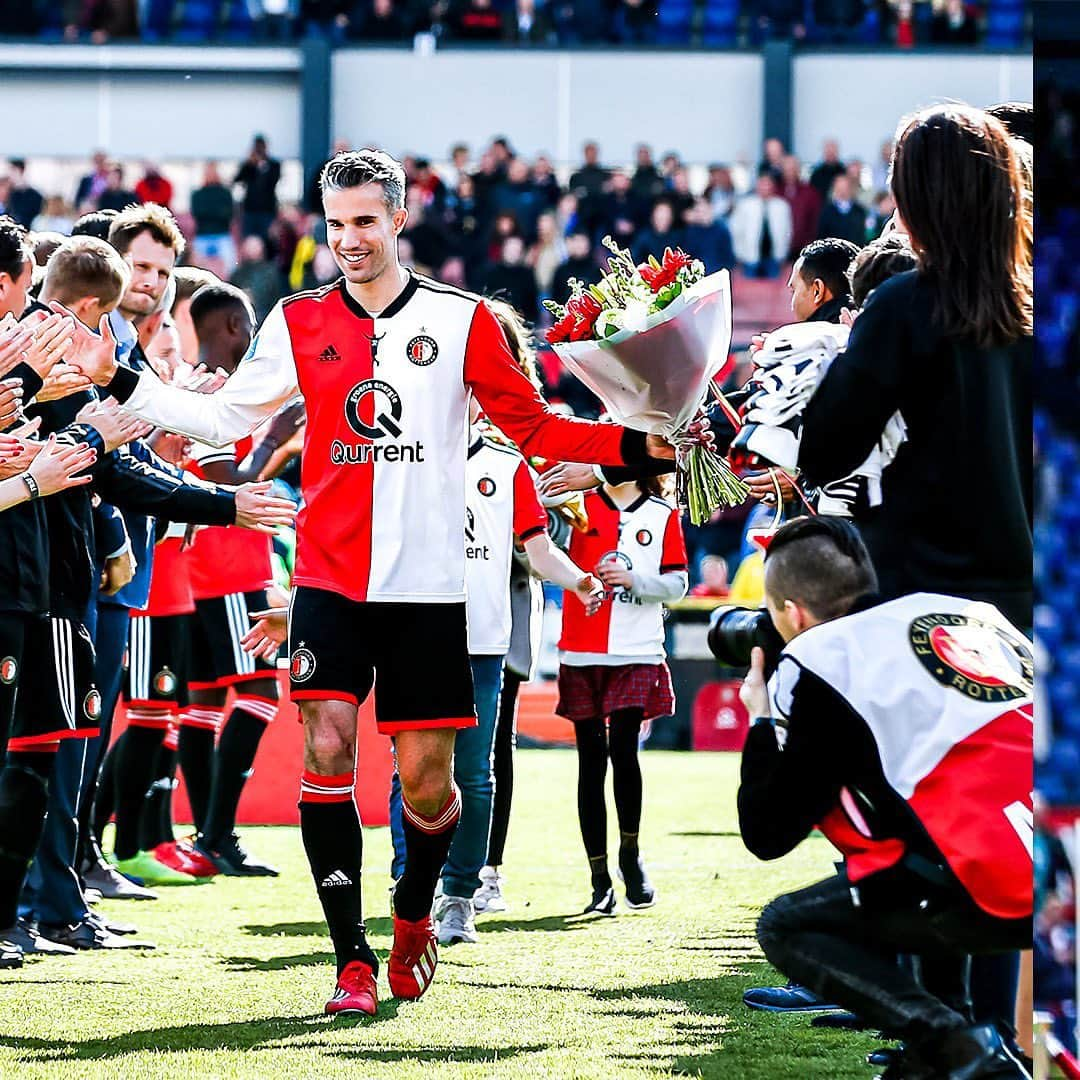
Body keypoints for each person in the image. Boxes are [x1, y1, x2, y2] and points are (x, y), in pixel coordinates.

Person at [70, 148, 676, 1017]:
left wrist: (639, 444)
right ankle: (350, 956)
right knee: (325, 749)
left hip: (430, 589)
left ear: (398, 219)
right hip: (328, 577)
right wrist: (124, 379)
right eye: (335, 222)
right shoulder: (297, 317)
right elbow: (221, 416)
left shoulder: (461, 320)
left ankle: (413, 916)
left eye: (364, 221)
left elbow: (535, 426)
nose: (348, 239)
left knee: (429, 782)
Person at [737, 516, 1032, 1079]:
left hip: (997, 875)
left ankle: (957, 1043)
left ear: (792, 613)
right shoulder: (974, 616)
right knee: (919, 858)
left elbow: (767, 833)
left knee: (787, 925)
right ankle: (951, 1045)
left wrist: (759, 719)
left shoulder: (824, 655)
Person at [798, 104, 1033, 629]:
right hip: (1020, 600)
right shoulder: (1029, 306)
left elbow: (825, 449)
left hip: (922, 599)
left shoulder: (904, 303)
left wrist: (826, 359)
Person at [390, 386, 603, 946]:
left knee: (474, 775)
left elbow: (536, 548)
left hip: (483, 640)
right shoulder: (399, 454)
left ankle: (459, 897)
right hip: (413, 635)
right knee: (410, 770)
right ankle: (407, 886)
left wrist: (577, 579)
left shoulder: (507, 467)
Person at [557, 475, 688, 915]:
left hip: (636, 650)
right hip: (580, 651)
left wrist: (635, 580)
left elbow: (679, 583)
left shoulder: (662, 513)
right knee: (589, 763)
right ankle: (598, 878)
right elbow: (536, 552)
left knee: (625, 752)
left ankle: (630, 856)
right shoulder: (575, 506)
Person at [730, 172, 792, 280]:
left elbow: (788, 232)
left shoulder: (782, 206)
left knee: (773, 291)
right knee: (749, 291)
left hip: (774, 258)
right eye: (762, 184)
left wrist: (783, 253)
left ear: (773, 186)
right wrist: (738, 254)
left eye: (768, 184)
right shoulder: (745, 204)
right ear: (757, 185)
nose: (765, 187)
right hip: (749, 257)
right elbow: (736, 230)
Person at [786, 237, 859, 323]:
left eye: (793, 291)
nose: (791, 306)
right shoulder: (873, 331)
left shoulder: (790, 336)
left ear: (817, 291)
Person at [235, 135, 281, 244]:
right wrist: (250, 164)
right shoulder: (249, 166)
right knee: (248, 241)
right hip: (250, 210)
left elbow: (273, 182)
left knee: (267, 241)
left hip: (267, 210)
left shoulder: (274, 165)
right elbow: (238, 179)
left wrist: (262, 166)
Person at [816, 174, 867, 246]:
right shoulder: (826, 211)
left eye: (845, 188)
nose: (842, 191)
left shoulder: (860, 211)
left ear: (851, 189)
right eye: (839, 188)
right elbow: (821, 236)